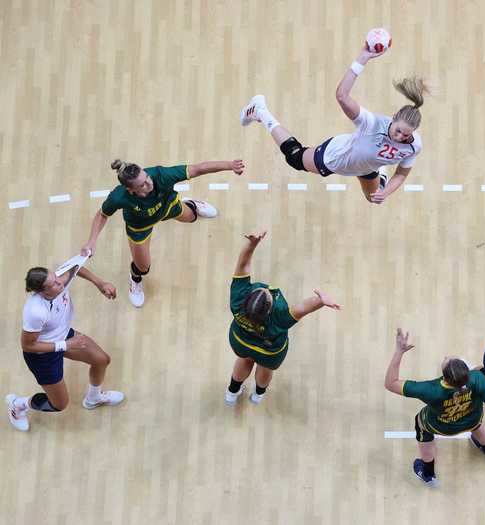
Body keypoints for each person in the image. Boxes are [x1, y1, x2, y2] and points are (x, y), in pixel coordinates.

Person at [239, 42, 427, 204]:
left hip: (367, 165)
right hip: (338, 156)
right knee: (295, 158)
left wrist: (385, 192)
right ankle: (260, 111)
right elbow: (342, 96)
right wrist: (363, 58)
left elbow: (401, 174)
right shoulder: (371, 123)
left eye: (406, 135)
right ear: (393, 118)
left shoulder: (414, 146)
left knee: (374, 198)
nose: (400, 137)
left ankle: (380, 172)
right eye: (398, 131)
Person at [81, 158, 245, 307]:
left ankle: (193, 204)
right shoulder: (119, 197)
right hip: (140, 227)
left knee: (192, 217)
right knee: (143, 267)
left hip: (168, 207)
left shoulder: (160, 175)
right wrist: (92, 241)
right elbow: (103, 214)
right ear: (129, 189)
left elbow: (198, 169)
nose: (149, 184)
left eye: (147, 178)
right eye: (142, 185)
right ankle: (135, 280)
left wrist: (229, 165)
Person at [385, 329, 485, 487]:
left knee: (420, 422)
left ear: (445, 377)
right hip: (472, 419)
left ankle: (428, 473)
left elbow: (390, 383)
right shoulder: (477, 379)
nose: (446, 357)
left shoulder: (430, 389)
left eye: (447, 360)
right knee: (478, 422)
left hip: (442, 427)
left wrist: (399, 352)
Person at [6, 257, 123, 432]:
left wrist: (100, 283)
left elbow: (77, 269)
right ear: (42, 292)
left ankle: (94, 398)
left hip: (65, 338)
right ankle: (18, 405)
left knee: (101, 360)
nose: (60, 282)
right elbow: (28, 345)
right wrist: (65, 345)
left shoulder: (59, 280)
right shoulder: (35, 311)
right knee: (59, 404)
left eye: (56, 277)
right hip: (42, 356)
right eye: (53, 283)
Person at [226, 231, 341, 406]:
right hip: (269, 351)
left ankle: (232, 393)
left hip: (240, 341)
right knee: (265, 368)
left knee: (244, 359)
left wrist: (252, 245)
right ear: (270, 308)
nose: (265, 290)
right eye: (267, 294)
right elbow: (304, 308)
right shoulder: (279, 317)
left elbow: (243, 264)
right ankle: (257, 396)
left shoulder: (238, 299)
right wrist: (321, 301)